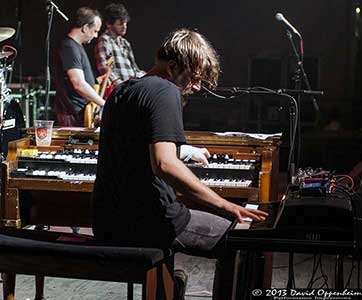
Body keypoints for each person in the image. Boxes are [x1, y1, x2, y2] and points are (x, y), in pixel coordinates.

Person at [92, 28, 268, 300]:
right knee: (244, 240)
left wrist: (192, 195)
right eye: (194, 77)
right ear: (172, 66)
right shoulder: (165, 91)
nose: (197, 86)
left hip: (108, 221)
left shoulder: (122, 90)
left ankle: (169, 289)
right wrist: (226, 205)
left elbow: (136, 159)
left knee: (193, 207)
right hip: (148, 223)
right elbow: (165, 164)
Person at [54, 7, 105, 127]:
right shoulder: (69, 47)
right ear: (85, 27)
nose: (96, 36)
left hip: (80, 113)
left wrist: (96, 81)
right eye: (95, 31)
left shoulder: (76, 46)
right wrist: (104, 104)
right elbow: (78, 84)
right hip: (72, 114)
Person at [94, 2, 145, 89]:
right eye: (120, 24)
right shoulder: (105, 40)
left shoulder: (125, 43)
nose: (124, 27)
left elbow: (135, 69)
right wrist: (120, 84)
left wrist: (148, 76)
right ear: (109, 24)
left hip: (131, 86)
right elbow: (103, 66)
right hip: (119, 90)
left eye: (125, 24)